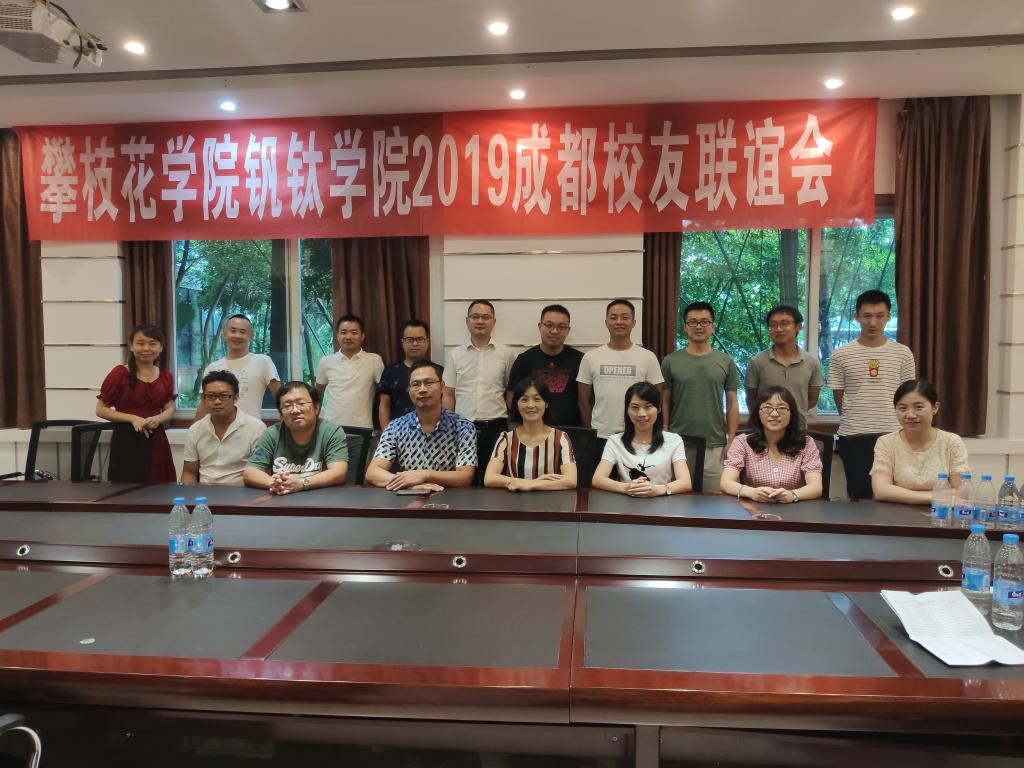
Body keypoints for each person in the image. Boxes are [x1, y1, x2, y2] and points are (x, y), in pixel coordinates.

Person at [828, 290, 916, 499]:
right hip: (854, 435)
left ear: (888, 317)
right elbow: (839, 395)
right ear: (857, 316)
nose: (873, 322)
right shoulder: (841, 354)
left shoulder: (903, 353)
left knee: (897, 495)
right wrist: (854, 417)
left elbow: (909, 395)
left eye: (879, 315)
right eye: (867, 316)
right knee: (860, 497)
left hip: (894, 434)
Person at [661, 301, 739, 493]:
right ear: (685, 327)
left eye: (704, 322)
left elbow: (732, 403)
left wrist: (731, 439)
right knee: (678, 497)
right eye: (693, 322)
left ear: (712, 326)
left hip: (714, 443)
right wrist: (664, 434)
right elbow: (664, 401)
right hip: (678, 442)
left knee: (714, 498)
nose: (699, 326)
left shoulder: (725, 361)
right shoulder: (670, 361)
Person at [368, 361, 477, 491]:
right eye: (416, 384)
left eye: (429, 383)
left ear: (442, 386)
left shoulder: (463, 427)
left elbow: (465, 477)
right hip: (407, 497)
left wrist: (424, 475)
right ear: (409, 390)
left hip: (449, 497)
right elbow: (373, 472)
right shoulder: (396, 427)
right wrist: (410, 484)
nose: (422, 389)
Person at [95, 323, 177, 483]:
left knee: (160, 489)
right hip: (126, 439)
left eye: (152, 343)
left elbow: (169, 408)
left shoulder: (166, 376)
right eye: (140, 343)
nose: (146, 348)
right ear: (131, 346)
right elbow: (101, 409)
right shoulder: (120, 373)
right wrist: (133, 418)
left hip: (157, 439)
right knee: (127, 489)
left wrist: (158, 419)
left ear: (161, 347)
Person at [871, 379, 969, 505]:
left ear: (935, 407)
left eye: (918, 407)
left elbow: (962, 492)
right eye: (902, 408)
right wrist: (935, 497)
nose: (910, 415)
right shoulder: (886, 443)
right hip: (896, 512)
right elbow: (880, 491)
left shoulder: (952, 442)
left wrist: (899, 493)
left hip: (941, 513)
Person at [720, 386, 823, 503]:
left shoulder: (806, 443)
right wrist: (751, 492)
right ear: (758, 412)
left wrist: (792, 495)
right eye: (767, 408)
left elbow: (816, 487)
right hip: (754, 507)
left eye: (782, 408)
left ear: (792, 413)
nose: (774, 414)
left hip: (794, 507)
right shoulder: (742, 442)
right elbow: (726, 482)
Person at [578, 299, 664, 438]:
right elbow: (583, 400)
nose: (619, 322)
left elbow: (657, 398)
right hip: (600, 435)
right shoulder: (591, 357)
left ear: (633, 323)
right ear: (606, 323)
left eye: (625, 317)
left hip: (637, 434)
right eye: (613, 318)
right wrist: (590, 431)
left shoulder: (648, 357)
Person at [244, 381, 348, 494]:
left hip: (321, 498)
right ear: (281, 414)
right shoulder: (272, 434)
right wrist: (275, 483)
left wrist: (302, 483)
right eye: (287, 406)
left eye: (301, 403)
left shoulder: (331, 432)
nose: (295, 410)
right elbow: (250, 472)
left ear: (316, 408)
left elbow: (339, 473)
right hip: (281, 498)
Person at [591, 382, 692, 497]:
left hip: (662, 502)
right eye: (635, 407)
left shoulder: (674, 440)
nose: (641, 414)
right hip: (626, 503)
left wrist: (657, 490)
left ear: (659, 409)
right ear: (627, 410)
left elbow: (685, 482)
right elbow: (597, 479)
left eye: (648, 407)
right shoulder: (615, 441)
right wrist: (626, 487)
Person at [485, 377, 577, 491]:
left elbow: (571, 480)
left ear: (546, 403)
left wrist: (531, 485)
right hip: (516, 501)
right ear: (516, 405)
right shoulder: (506, 438)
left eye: (537, 399)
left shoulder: (560, 438)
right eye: (524, 400)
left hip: (551, 500)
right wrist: (532, 482)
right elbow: (489, 478)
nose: (531, 405)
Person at [182, 371, 267, 486]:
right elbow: (189, 472)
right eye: (211, 396)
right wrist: (187, 495)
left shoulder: (256, 428)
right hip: (205, 492)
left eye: (224, 396)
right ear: (203, 398)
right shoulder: (195, 429)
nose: (217, 401)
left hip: (242, 491)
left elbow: (262, 470)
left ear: (236, 397)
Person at [505, 305, 584, 427]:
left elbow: (586, 399)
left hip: (572, 431)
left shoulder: (580, 360)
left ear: (568, 330)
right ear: (540, 326)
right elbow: (511, 397)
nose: (554, 331)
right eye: (549, 325)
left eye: (561, 327)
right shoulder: (524, 359)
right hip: (533, 430)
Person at [745, 304, 822, 426]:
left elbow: (812, 400)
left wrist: (791, 413)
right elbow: (751, 399)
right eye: (773, 325)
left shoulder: (811, 363)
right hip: (766, 430)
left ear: (798, 326)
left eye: (784, 323)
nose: (779, 329)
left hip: (798, 429)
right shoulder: (757, 362)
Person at [442, 299, 515, 425]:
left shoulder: (506, 354)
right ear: (467, 321)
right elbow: (448, 394)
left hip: (496, 423)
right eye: (475, 317)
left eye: (486, 317)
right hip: (462, 424)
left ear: (494, 322)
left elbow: (510, 391)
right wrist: (448, 425)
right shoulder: (455, 354)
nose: (480, 321)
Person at [195, 314, 280, 420]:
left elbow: (281, 398)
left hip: (252, 429)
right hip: (219, 429)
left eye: (242, 332)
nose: (237, 335)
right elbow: (204, 404)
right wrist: (195, 428)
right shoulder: (212, 368)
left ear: (251, 336)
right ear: (225, 334)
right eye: (233, 331)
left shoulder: (263, 361)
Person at [316, 314, 385, 429]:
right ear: (337, 336)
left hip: (362, 427)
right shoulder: (326, 361)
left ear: (362, 336)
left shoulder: (374, 360)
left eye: (354, 332)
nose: (348, 337)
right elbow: (318, 394)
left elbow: (384, 396)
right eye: (343, 332)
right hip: (331, 427)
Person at [377, 319, 439, 429]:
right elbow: (384, 405)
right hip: (398, 432)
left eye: (419, 339)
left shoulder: (438, 371)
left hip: (433, 432)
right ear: (403, 343)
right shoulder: (390, 371)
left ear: (427, 342)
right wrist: (386, 434)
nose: (415, 344)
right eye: (410, 340)